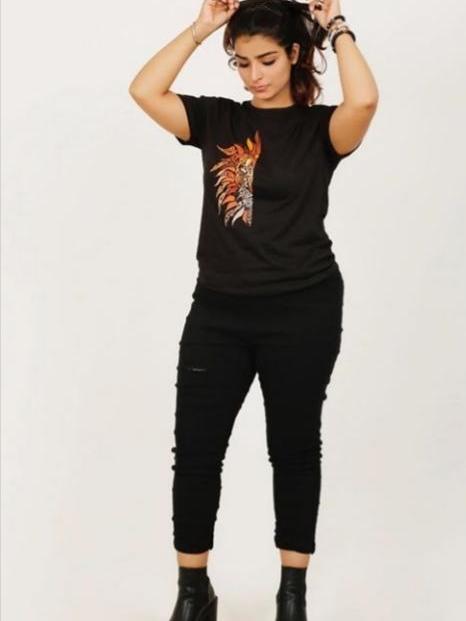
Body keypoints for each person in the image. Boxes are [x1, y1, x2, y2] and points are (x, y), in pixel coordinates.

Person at [129, 0, 378, 618]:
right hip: (218, 312)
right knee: (196, 450)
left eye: (266, 60)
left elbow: (366, 100)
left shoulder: (321, 130)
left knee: (293, 448)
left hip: (303, 308)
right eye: (241, 63)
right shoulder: (218, 119)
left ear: (294, 55)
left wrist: (337, 28)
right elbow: (144, 90)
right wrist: (201, 30)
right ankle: (193, 592)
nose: (254, 76)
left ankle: (292, 594)